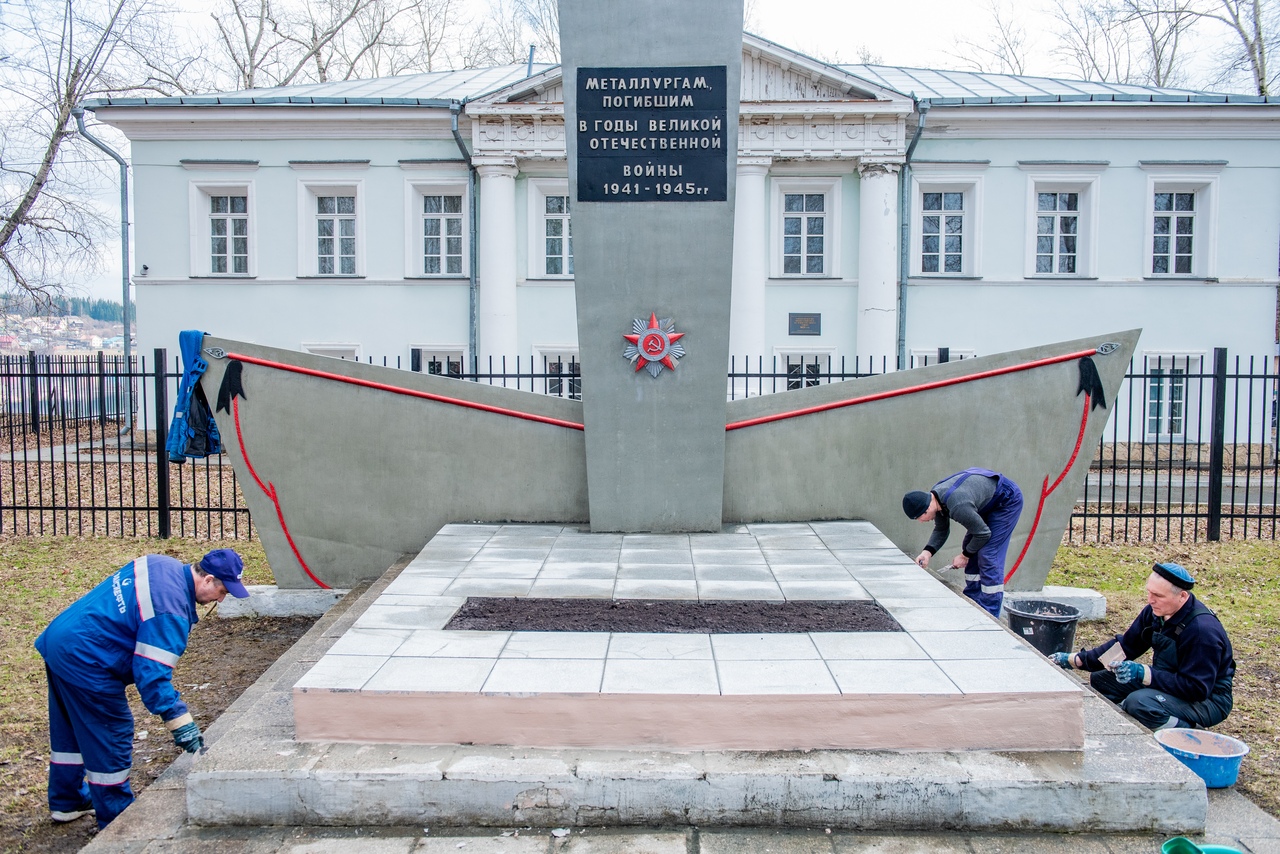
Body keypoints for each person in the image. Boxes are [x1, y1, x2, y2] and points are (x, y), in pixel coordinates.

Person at [34, 549, 249, 828]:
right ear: (208, 579)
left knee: (71, 728)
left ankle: (68, 801)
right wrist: (181, 724)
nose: (220, 599)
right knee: (111, 731)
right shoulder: (170, 612)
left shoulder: (160, 563)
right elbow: (153, 678)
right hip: (88, 660)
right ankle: (117, 817)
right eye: (222, 591)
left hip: (63, 640)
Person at [1050, 562, 1234, 731]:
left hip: (1208, 700)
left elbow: (1197, 688)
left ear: (1182, 596)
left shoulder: (1202, 632)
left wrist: (1145, 674)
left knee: (1139, 703)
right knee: (1102, 679)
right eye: (1149, 592)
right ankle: (1132, 725)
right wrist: (1078, 660)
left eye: (1158, 596)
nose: (1150, 600)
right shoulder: (1157, 613)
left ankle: (1188, 734)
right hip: (1173, 684)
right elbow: (1125, 647)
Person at [902, 468, 1024, 617]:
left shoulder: (957, 505)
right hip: (986, 502)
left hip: (1006, 501)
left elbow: (983, 534)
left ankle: (990, 612)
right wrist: (927, 553)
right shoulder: (936, 497)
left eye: (919, 518)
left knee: (988, 553)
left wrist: (965, 556)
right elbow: (941, 529)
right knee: (970, 544)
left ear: (927, 509)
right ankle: (972, 599)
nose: (921, 522)